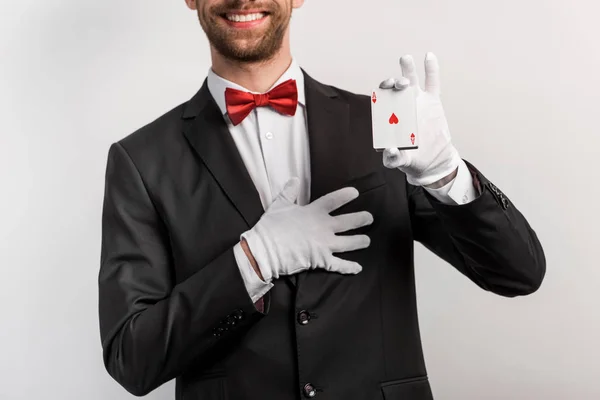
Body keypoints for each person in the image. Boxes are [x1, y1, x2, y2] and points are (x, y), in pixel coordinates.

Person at [98, 1, 546, 399]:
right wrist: (251, 262)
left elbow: (518, 274)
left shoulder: (380, 130)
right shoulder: (141, 160)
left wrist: (447, 173)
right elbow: (132, 359)